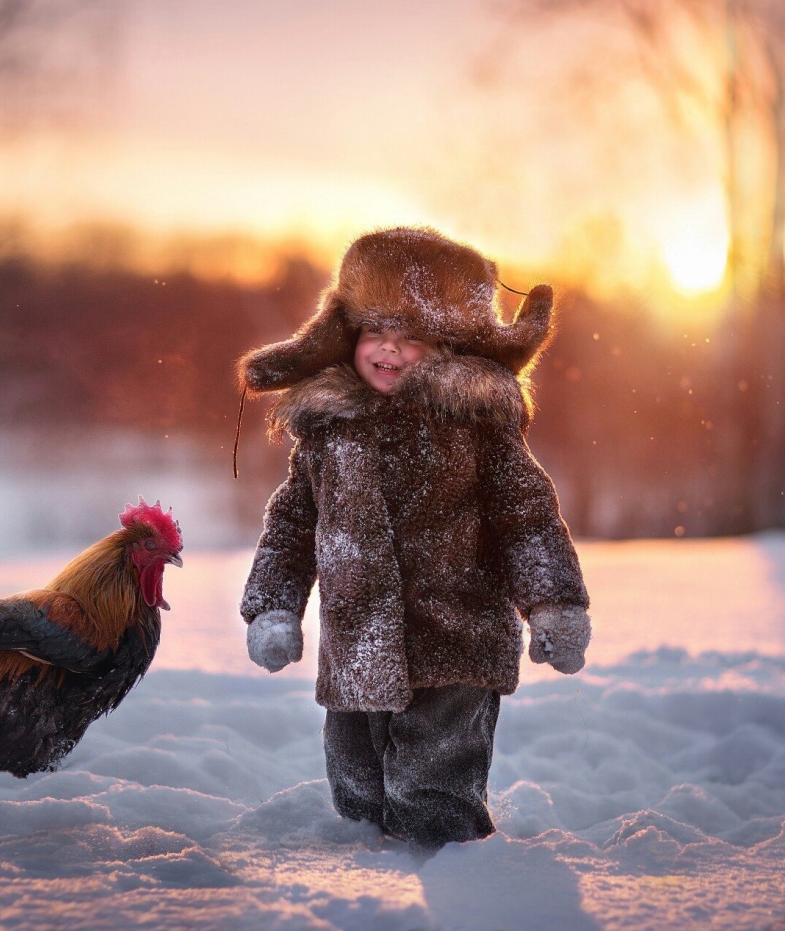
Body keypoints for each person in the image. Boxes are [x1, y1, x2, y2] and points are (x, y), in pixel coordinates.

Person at [237, 226, 590, 853]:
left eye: (414, 337)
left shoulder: (477, 429)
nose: (389, 349)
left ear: (452, 346)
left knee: (432, 793)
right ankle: (366, 890)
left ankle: (452, 884)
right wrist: (273, 606)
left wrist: (552, 602)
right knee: (357, 794)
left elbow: (526, 520)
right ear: (346, 337)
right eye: (374, 331)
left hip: (457, 640)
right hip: (357, 646)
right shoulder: (327, 432)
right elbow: (291, 527)